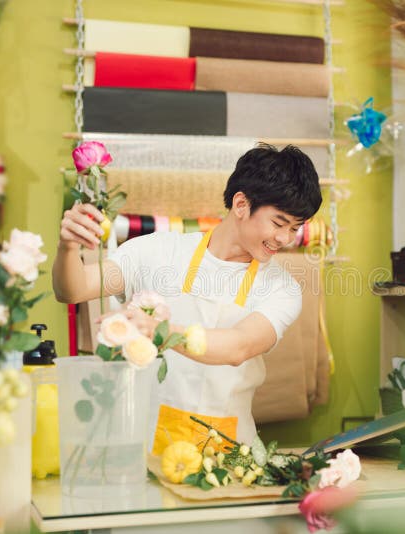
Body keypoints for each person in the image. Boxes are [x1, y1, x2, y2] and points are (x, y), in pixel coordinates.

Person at [52, 144, 322, 453]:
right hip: (143, 450)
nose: (286, 239)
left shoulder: (282, 288)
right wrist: (68, 247)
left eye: (295, 228)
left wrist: (160, 331)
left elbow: (239, 346)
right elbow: (72, 290)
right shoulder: (156, 251)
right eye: (278, 223)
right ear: (241, 204)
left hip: (230, 456)